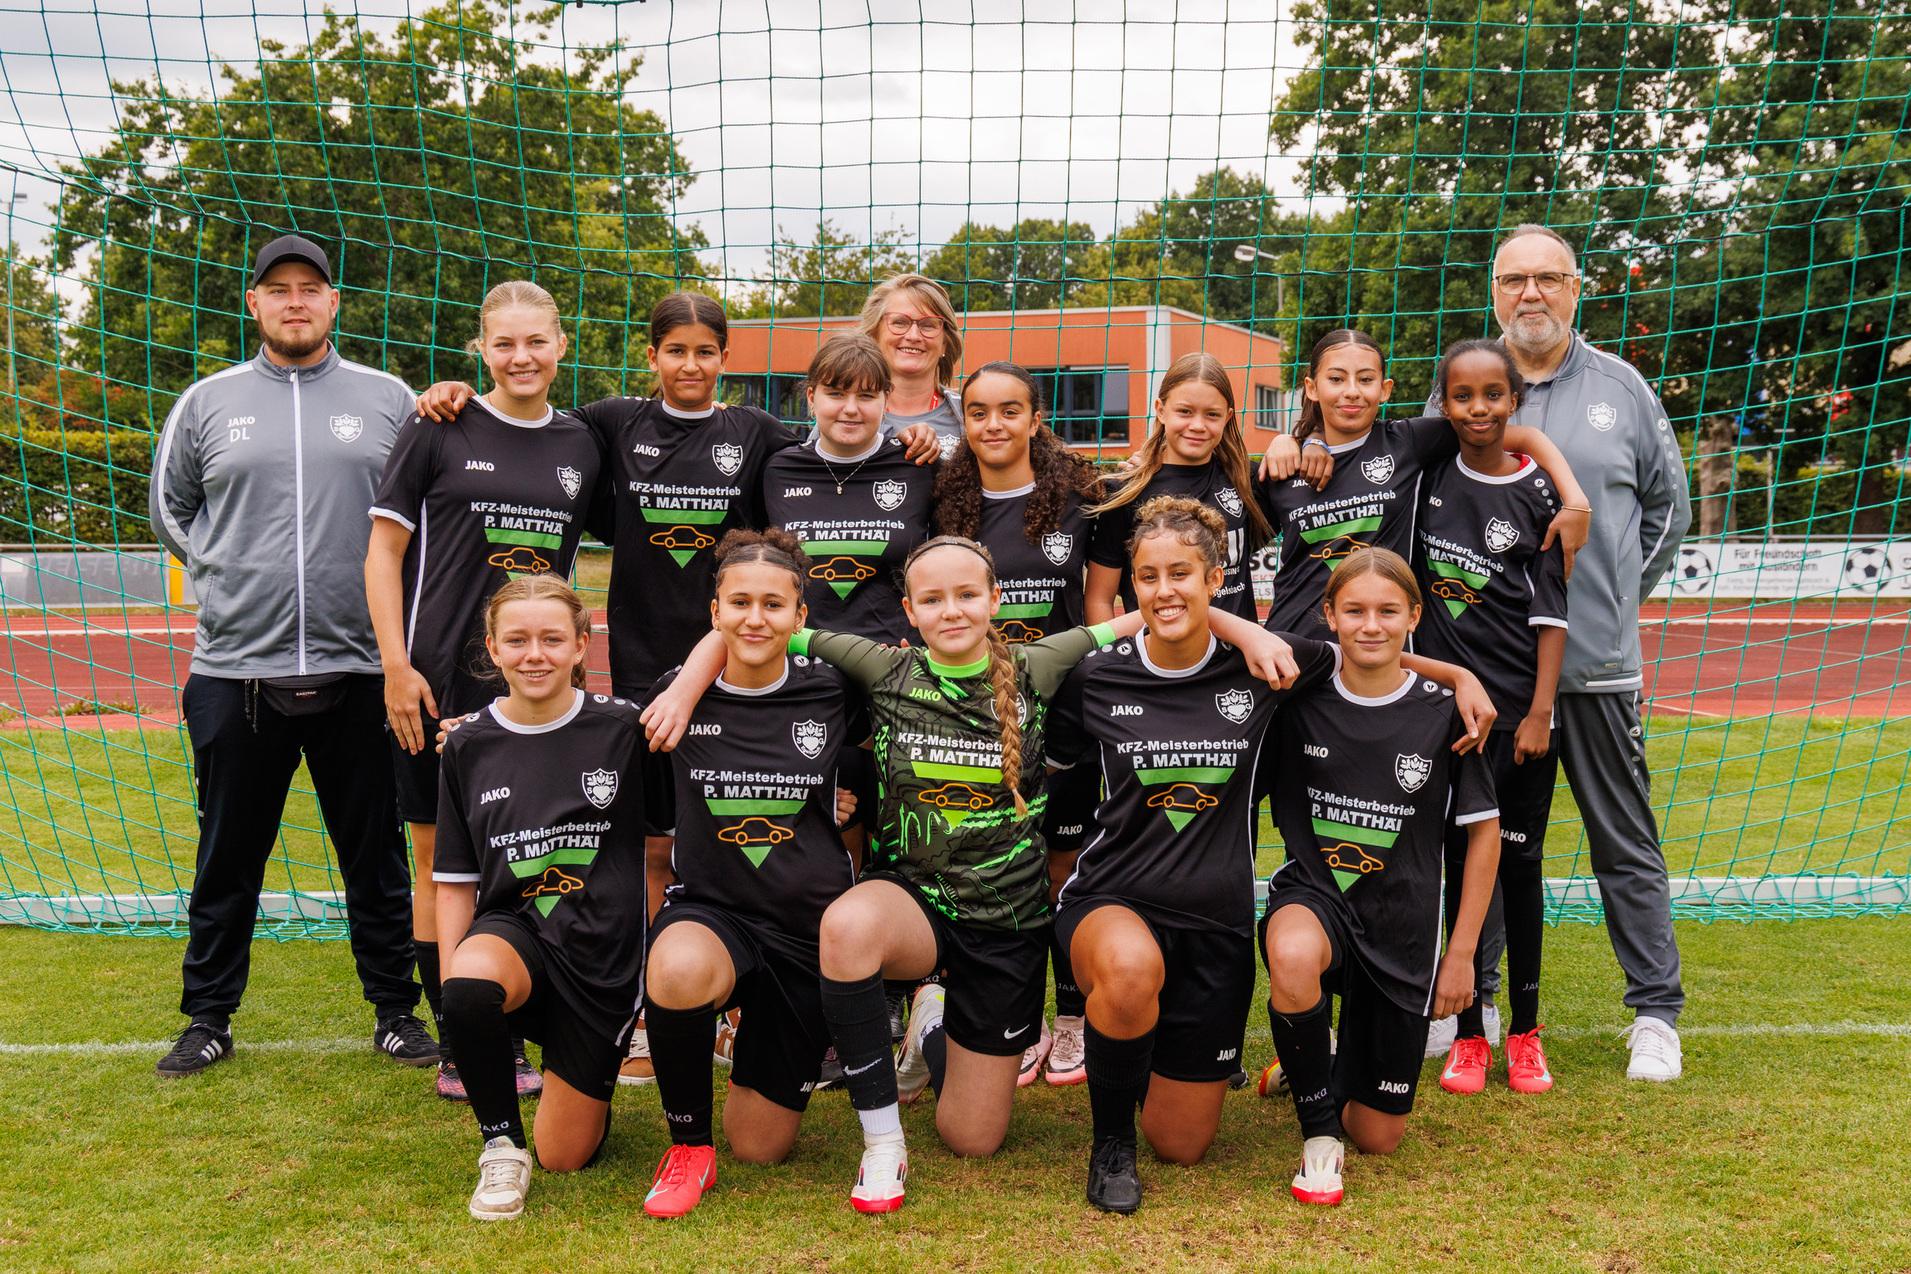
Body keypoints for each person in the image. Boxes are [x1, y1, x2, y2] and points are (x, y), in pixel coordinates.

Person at [641, 537, 1288, 1212]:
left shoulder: (1039, 664)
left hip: (1005, 925)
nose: (951, 610)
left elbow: (1156, 611)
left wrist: (1241, 624)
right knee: (848, 923)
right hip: (913, 907)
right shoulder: (881, 665)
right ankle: (883, 1143)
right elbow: (758, 625)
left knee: (971, 1137)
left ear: (994, 601)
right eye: (932, 598)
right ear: (909, 611)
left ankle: (930, 1032)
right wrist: (687, 686)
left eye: (966, 594)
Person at [414, 294, 937, 1084]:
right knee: (657, 841)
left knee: (821, 824)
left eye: (705, 351)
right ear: (650, 355)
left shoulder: (762, 439)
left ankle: (837, 997)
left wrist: (913, 431)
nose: (690, 365)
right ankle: (656, 1007)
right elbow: (524, 419)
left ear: (726, 359)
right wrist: (453, 395)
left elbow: (821, 488)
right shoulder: (608, 423)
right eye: (675, 351)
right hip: (645, 667)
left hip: (768, 673)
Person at [1047, 501, 1496, 1214]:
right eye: (1148, 576)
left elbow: (1367, 645)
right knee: (1130, 971)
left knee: (1184, 1143)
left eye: (1182, 574)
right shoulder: (1094, 678)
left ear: (1215, 578)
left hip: (1215, 928)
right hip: (1113, 901)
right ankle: (1110, 1147)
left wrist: (1458, 675)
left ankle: (1143, 1055)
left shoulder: (1267, 668)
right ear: (1129, 586)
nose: (1165, 589)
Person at [148, 233, 427, 1077]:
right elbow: (171, 506)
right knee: (227, 857)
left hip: (364, 672)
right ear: (254, 304)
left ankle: (396, 1013)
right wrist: (222, 570)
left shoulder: (389, 399)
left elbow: (424, 509)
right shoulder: (208, 401)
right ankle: (207, 1018)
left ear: (334, 302)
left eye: (311, 288)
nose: (296, 301)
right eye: (280, 290)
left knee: (375, 858)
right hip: (237, 672)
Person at [1429, 224, 1692, 1080]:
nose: (1530, 294)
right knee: (1483, 842)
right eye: (1514, 280)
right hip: (1486, 684)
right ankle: (1482, 1002)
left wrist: (1612, 601)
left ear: (1576, 289)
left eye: (1547, 279)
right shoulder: (1461, 390)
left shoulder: (1620, 387)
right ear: (1493, 291)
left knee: (1623, 839)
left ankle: (1654, 1011)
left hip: (1596, 670)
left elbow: (1667, 512)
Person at [366, 280, 605, 1100]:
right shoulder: (438, 425)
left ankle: (527, 1017)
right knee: (438, 862)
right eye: (503, 344)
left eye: (535, 341)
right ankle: (467, 1045)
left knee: (527, 855)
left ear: (560, 344)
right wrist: (395, 666)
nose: (521, 357)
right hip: (434, 685)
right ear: (480, 349)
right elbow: (382, 553)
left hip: (538, 690)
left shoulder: (582, 442)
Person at [1261, 548, 1500, 1207]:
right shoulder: (1296, 698)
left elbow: (1482, 838)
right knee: (1291, 952)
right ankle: (1316, 1134)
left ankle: (1311, 1060)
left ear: (1413, 616)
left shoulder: (1447, 710)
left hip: (1402, 921)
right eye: (1355, 611)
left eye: (1387, 611)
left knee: (1378, 1135)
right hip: (1315, 898)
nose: (1371, 625)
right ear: (1328, 616)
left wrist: (1460, 956)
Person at [638, 529, 864, 1219]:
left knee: (760, 1145)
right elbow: (653, 831)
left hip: (806, 935)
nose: (755, 618)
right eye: (738, 602)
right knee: (674, 969)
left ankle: (764, 1044)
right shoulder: (674, 699)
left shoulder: (836, 690)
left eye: (774, 603)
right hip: (715, 911)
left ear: (801, 617)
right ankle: (686, 1150)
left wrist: (838, 796)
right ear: (714, 613)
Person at [433, 576, 648, 1221]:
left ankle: (580, 1077)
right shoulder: (467, 744)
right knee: (471, 984)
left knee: (567, 1154)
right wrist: (455, 986)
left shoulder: (625, 729)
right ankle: (500, 1147)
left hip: (600, 959)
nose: (536, 654)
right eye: (518, 640)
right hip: (515, 935)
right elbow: (454, 879)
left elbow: (665, 846)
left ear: (582, 645)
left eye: (553, 639)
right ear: (493, 650)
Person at [933, 361, 1103, 1087]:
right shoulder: (943, 499)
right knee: (998, 870)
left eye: (1010, 410)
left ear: (1036, 419)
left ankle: (1069, 1018)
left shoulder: (1084, 497)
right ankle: (1013, 1013)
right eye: (977, 412)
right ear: (963, 421)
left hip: (1062, 718)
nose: (993, 425)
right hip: (977, 719)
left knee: (1062, 870)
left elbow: (1099, 610)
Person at [1412, 340, 1569, 1096]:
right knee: (1454, 869)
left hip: (1520, 724)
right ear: (1442, 404)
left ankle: (1526, 1034)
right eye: (1462, 396)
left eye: (1491, 396)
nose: (1477, 409)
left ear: (1514, 401)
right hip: (1448, 721)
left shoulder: (1538, 493)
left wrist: (1539, 712)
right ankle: (1468, 1033)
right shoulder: (1428, 479)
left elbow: (1550, 620)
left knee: (1518, 870)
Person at [1257, 328, 1590, 640]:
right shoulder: (1285, 466)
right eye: (1336, 379)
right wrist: (1292, 439)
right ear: (1312, 388)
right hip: (1292, 643)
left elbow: (1525, 437)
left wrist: (1575, 501)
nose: (1352, 391)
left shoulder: (1409, 442)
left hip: (1376, 645)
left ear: (1385, 389)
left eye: (1366, 379)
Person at [1086, 353, 1269, 623]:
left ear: (1228, 417)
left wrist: (1301, 442)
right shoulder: (1125, 492)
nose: (1197, 425)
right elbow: (1099, 598)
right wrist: (1105, 660)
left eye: (1212, 415)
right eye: (1185, 411)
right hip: (1154, 658)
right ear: (1161, 410)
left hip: (1234, 660)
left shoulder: (1247, 479)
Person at [810, 272, 966, 457]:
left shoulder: (968, 415)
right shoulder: (841, 419)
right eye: (900, 323)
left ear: (945, 343)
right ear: (874, 335)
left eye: (928, 325)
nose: (914, 336)